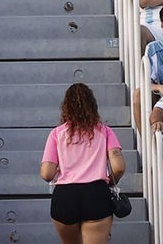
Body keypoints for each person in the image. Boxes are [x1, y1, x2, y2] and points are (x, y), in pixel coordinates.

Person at [42, 83, 125, 244]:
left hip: (65, 197)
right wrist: (110, 180)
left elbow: (47, 173)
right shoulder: (105, 131)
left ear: (66, 107)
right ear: (93, 105)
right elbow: (119, 167)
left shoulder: (56, 134)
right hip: (96, 194)